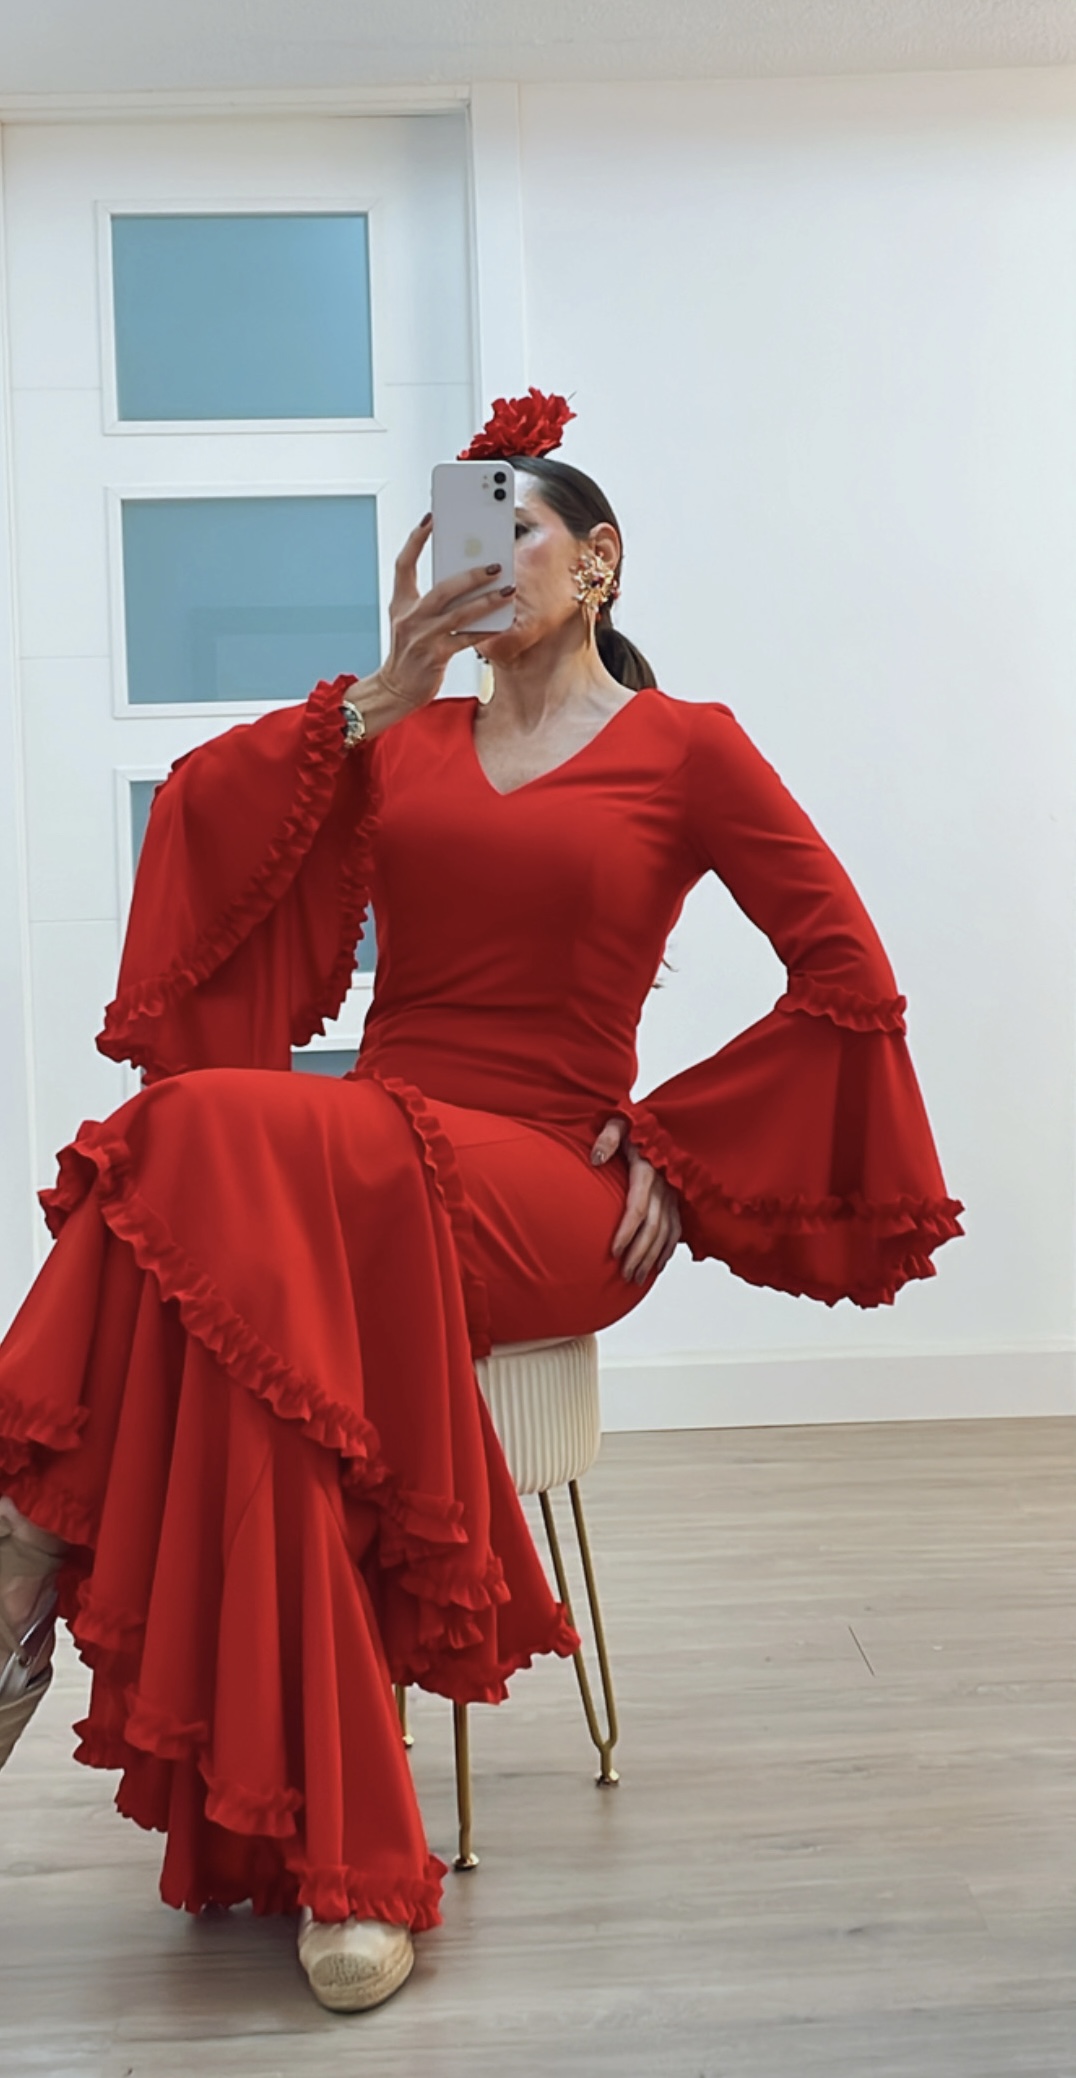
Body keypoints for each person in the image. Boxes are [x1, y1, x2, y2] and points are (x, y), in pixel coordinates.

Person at [0, 390, 963, 2013]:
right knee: (255, 1288)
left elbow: (847, 974)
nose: (489, 557)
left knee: (189, 1139)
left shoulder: (690, 746)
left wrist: (678, 1144)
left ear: (600, 562)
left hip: (546, 1190)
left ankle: (23, 1541)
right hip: (370, 1164)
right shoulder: (411, 742)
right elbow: (210, 826)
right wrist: (386, 689)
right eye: (464, 532)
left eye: (520, 531)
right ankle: (344, 1860)